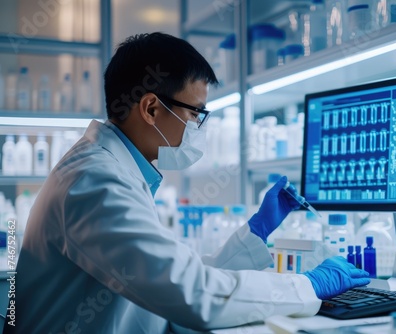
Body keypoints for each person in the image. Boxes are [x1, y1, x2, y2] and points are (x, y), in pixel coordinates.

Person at [4, 32, 370, 334]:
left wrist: (257, 232)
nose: (199, 126)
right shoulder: (94, 181)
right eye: (195, 113)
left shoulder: (116, 170)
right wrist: (307, 286)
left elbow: (177, 274)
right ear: (150, 109)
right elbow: (191, 292)